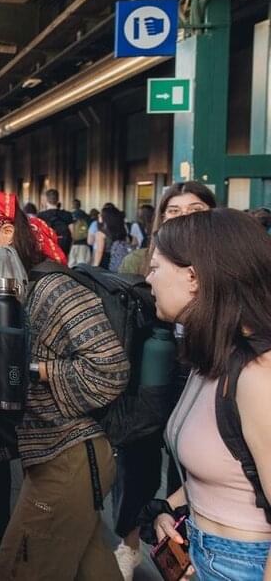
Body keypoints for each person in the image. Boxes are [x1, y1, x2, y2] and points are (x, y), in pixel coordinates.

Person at [0, 193, 127, 578]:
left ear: (5, 233)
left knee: (18, 567)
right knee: (92, 569)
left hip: (69, 457)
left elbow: (110, 370)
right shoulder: (16, 290)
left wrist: (32, 368)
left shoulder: (54, 288)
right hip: (55, 459)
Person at [145, 209, 271, 581]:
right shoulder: (212, 358)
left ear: (194, 277)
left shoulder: (256, 375)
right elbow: (230, 470)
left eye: (156, 267)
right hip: (205, 550)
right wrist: (167, 509)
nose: (148, 279)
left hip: (244, 564)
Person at [112, 181, 217, 578]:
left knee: (189, 459)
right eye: (174, 210)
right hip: (153, 372)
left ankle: (186, 549)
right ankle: (130, 543)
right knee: (138, 459)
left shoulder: (224, 265)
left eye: (195, 209)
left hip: (201, 366)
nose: (184, 216)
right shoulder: (139, 261)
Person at [37, 188, 73, 257]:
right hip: (63, 246)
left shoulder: (40, 215)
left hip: (47, 247)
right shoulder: (67, 214)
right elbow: (72, 232)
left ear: (46, 200)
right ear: (58, 199)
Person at [94, 206, 131, 271]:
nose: (99, 215)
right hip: (119, 262)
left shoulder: (101, 233)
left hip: (105, 263)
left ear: (106, 217)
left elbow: (99, 251)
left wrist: (94, 267)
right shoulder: (122, 231)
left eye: (101, 214)